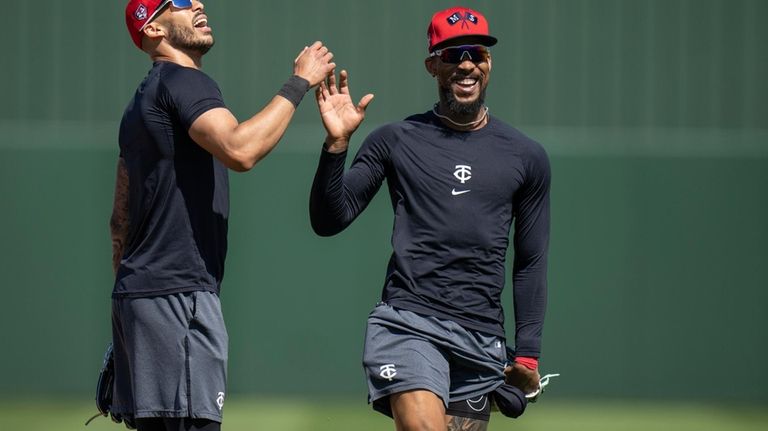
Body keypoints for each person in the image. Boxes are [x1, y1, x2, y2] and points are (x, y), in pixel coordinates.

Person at [309, 6, 550, 430]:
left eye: (476, 53)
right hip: (407, 324)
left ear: (489, 63)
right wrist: (336, 144)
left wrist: (526, 354)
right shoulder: (395, 140)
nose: (466, 64)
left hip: (480, 338)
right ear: (432, 65)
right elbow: (331, 218)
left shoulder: (526, 157)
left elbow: (530, 261)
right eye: (453, 55)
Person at [110, 1, 334, 430]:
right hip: (177, 294)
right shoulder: (183, 81)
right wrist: (299, 83)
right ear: (153, 29)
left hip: (141, 295)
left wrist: (130, 317)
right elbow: (240, 149)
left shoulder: (139, 102)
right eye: (177, 2)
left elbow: (119, 219)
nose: (196, 4)